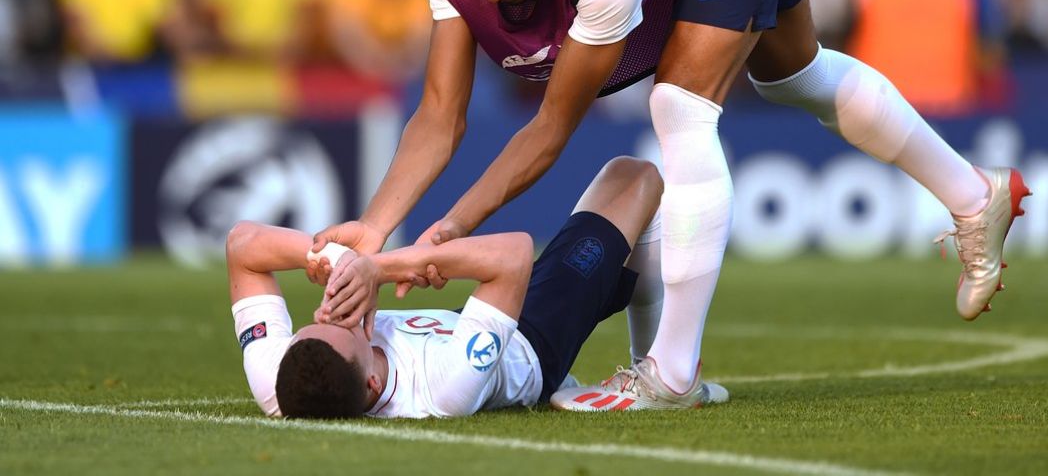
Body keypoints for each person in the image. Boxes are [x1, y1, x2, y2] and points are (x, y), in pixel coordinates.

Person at [314, 0, 1029, 411]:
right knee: (795, 74)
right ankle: (975, 195)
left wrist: (444, 235)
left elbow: (550, 131)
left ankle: (672, 374)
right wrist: (376, 230)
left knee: (679, 107)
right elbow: (440, 114)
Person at [228, 157, 725, 418]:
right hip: (532, 339)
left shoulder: (281, 383)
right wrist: (379, 267)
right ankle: (668, 375)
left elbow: (243, 245)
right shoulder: (444, 392)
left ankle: (655, 357)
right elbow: (512, 258)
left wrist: (338, 259)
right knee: (634, 178)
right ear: (373, 385)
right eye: (347, 325)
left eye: (319, 318)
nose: (334, 310)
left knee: (629, 256)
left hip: (473, 315)